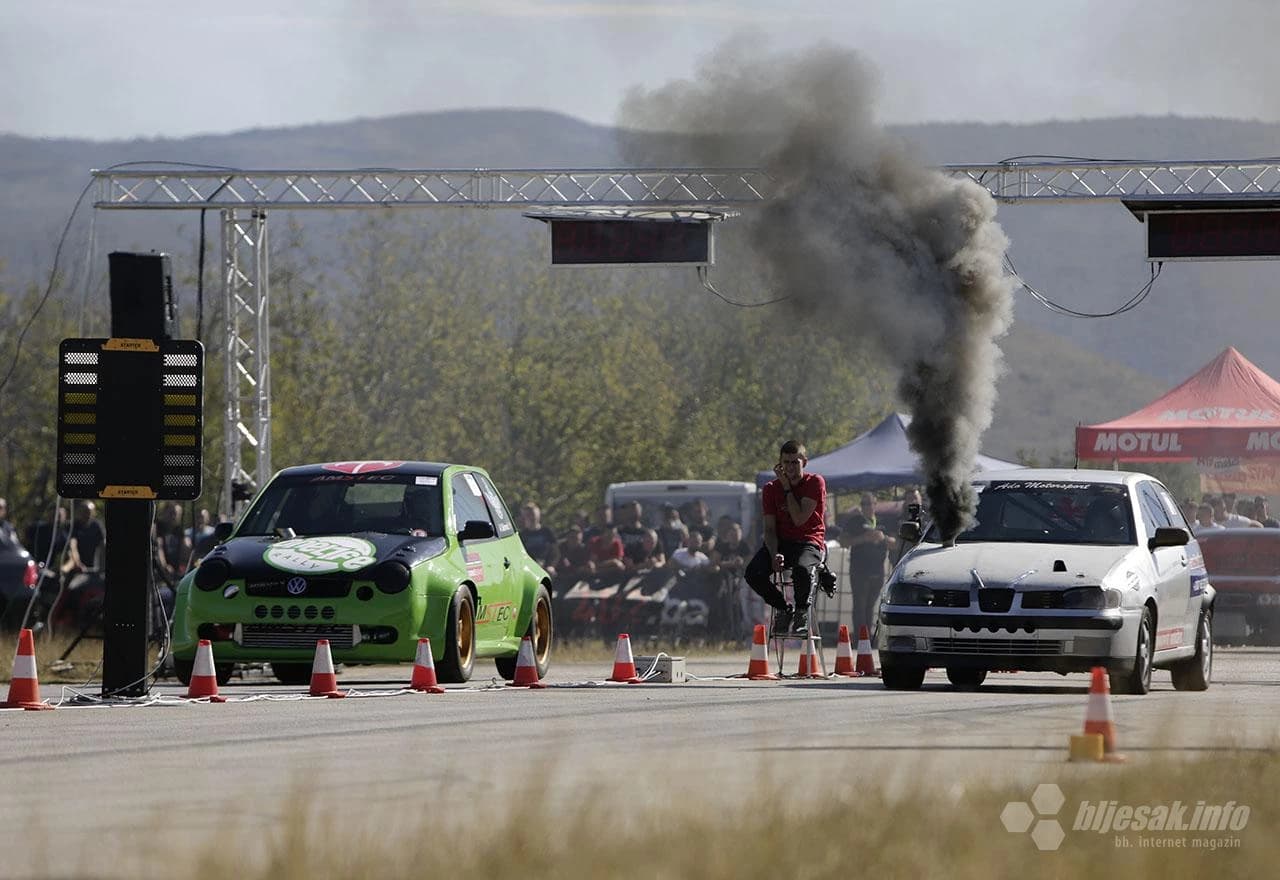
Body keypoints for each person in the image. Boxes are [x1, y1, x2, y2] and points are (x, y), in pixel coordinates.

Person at [744, 440, 827, 636]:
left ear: (804, 462)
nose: (790, 467)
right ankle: (783, 608)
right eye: (786, 463)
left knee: (801, 570)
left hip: (808, 542)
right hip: (781, 543)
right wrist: (774, 554)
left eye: (794, 463)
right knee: (753, 573)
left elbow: (799, 519)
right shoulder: (770, 489)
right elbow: (770, 529)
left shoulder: (815, 482)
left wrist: (787, 488)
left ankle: (801, 612)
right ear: (780, 464)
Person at [843, 510, 890, 639]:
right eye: (864, 504)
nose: (867, 506)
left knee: (870, 607)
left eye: (869, 503)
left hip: (877, 570)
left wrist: (883, 537)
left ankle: (867, 638)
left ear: (875, 505)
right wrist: (864, 538)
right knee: (860, 605)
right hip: (859, 570)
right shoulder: (855, 521)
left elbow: (895, 543)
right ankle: (860, 638)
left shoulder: (883, 521)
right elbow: (844, 541)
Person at [517, 501, 559, 574]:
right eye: (528, 515)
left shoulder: (547, 532)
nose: (531, 517)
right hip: (529, 569)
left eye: (533, 514)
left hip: (546, 568)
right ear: (524, 517)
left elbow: (555, 552)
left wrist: (551, 566)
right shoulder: (521, 535)